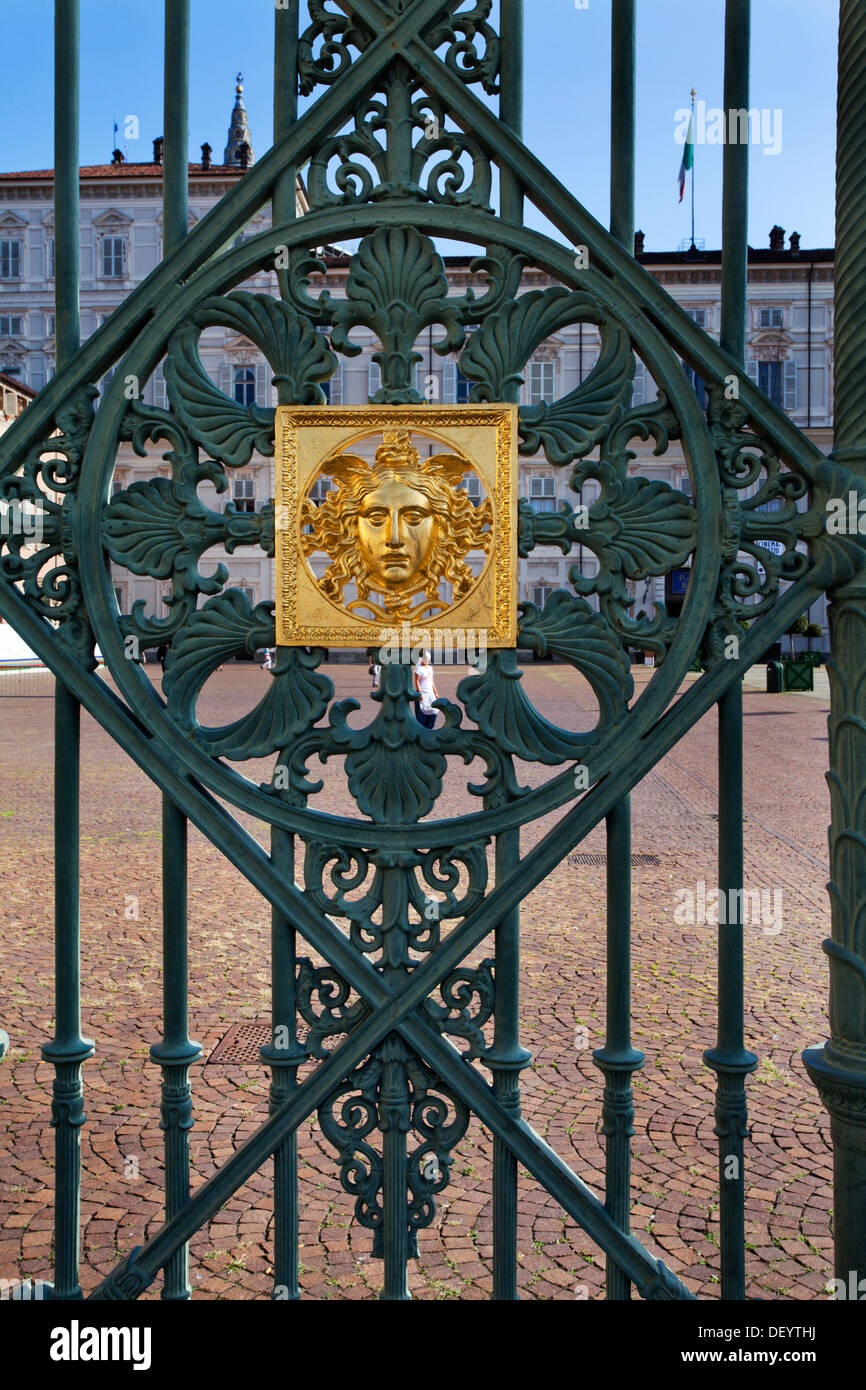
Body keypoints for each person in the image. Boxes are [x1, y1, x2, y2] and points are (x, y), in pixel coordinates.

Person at [413, 650, 438, 729]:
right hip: (422, 694)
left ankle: (429, 730)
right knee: (421, 716)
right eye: (424, 658)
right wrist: (420, 693)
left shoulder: (430, 668)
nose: (426, 660)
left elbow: (431, 681)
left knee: (434, 712)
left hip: (430, 694)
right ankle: (422, 732)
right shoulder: (418, 669)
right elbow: (416, 681)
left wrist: (436, 693)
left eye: (427, 658)